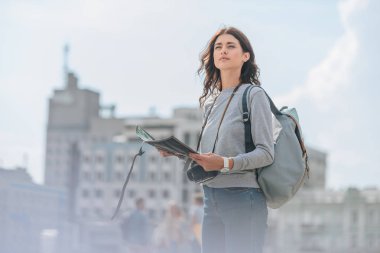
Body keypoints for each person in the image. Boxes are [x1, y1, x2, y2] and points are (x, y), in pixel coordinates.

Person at [158, 26, 274, 253]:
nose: (223, 50)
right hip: (211, 199)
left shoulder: (254, 95)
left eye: (231, 46)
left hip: (244, 199)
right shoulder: (210, 102)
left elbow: (266, 153)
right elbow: (208, 158)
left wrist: (225, 163)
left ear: (245, 56)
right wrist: (180, 153)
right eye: (218, 47)